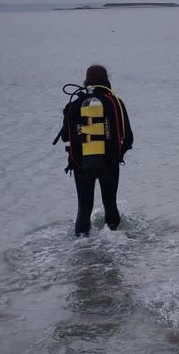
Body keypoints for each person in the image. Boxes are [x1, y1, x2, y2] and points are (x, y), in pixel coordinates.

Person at [55, 64, 133, 237]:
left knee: (84, 208)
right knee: (110, 205)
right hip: (109, 165)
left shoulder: (76, 104)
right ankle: (115, 243)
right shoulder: (115, 103)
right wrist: (117, 155)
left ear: (86, 81)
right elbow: (128, 139)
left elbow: (66, 137)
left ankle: (82, 247)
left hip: (81, 165)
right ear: (107, 80)